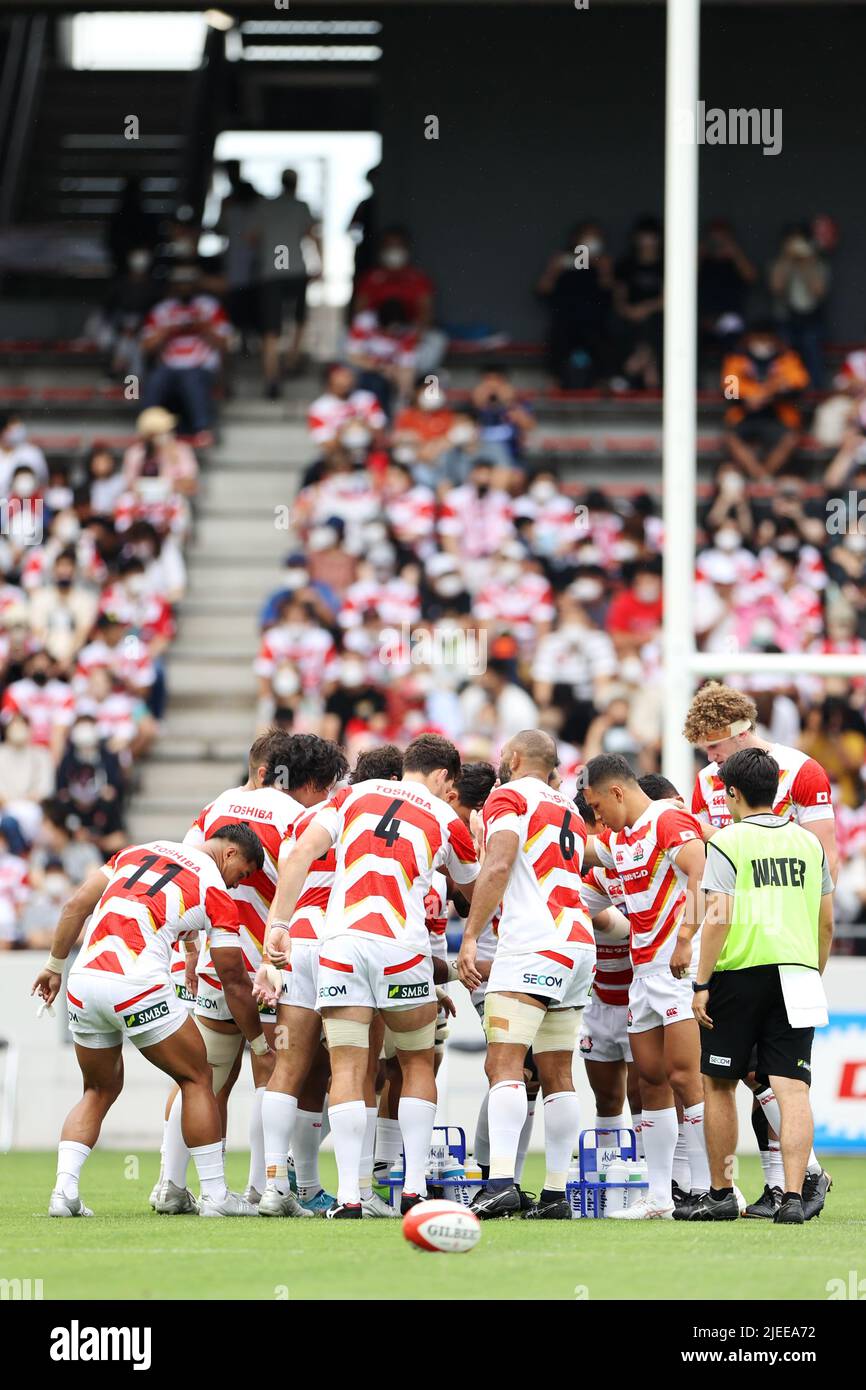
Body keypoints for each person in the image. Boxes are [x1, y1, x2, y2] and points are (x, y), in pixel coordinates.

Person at [264, 732, 478, 1218]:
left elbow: (298, 855)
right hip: (402, 947)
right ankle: (414, 1191)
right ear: (444, 777)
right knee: (417, 1063)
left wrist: (278, 925)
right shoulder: (447, 818)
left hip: (341, 944)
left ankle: (347, 1198)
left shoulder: (352, 795)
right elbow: (471, 890)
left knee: (346, 1067)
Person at [151, 731, 348, 1215]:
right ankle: (264, 1186)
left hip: (212, 963)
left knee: (200, 1076)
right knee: (272, 1069)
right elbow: (304, 887)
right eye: (321, 785)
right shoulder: (297, 818)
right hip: (265, 964)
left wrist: (191, 946)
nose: (323, 795)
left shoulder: (217, 806)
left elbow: (185, 870)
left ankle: (169, 1184)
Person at [31, 823, 267, 1218]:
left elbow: (76, 905)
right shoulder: (214, 887)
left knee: (97, 1089)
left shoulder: (136, 852)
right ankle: (215, 1196)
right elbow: (233, 980)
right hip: (136, 983)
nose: (238, 883)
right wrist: (258, 1043)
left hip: (84, 980)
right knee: (197, 1077)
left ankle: (63, 1192)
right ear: (229, 853)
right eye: (242, 873)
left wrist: (54, 966)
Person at [258, 743, 404, 1220]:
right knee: (358, 1071)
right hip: (348, 938)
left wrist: (274, 931)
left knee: (290, 1067)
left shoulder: (305, 819)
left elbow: (292, 867)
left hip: (298, 939)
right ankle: (359, 1190)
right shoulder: (383, 814)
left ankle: (275, 1186)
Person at [691, 748, 834, 1224]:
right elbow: (826, 923)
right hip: (798, 972)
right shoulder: (809, 844)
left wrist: (701, 982)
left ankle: (720, 1192)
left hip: (739, 973)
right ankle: (793, 1197)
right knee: (792, 1089)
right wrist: (813, 971)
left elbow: (717, 917)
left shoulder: (728, 841)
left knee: (718, 1083)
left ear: (731, 792)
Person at [458, 730, 596, 1220]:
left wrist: (471, 936)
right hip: (577, 942)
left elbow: (499, 863)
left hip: (533, 941)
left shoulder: (508, 796)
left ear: (514, 759)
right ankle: (557, 1194)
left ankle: (500, 1184)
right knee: (559, 1072)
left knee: (504, 1064)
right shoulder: (570, 808)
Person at [583, 753, 710, 1220]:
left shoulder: (665, 818)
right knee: (651, 1080)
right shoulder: (624, 838)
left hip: (678, 969)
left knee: (685, 1078)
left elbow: (702, 870)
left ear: (617, 791)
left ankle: (714, 1188)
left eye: (597, 807)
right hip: (645, 977)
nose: (597, 818)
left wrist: (685, 937)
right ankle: (660, 1195)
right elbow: (583, 852)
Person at [140, 263, 230, 442]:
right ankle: (146, 430)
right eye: (180, 283)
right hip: (168, 366)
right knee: (155, 380)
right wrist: (168, 330)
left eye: (188, 282)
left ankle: (203, 429)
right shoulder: (162, 309)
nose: (184, 287)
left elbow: (225, 343)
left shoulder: (209, 306)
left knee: (191, 379)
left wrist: (202, 326)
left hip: (201, 367)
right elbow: (146, 345)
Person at [254, 169, 321, 396]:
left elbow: (252, 236)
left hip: (271, 273)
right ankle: (291, 360)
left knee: (271, 330)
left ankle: (271, 375)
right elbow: (313, 235)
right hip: (295, 271)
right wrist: (321, 265)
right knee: (299, 321)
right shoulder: (301, 206)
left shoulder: (265, 206)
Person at [721, 325, 809, 479]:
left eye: (766, 339)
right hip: (746, 414)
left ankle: (765, 475)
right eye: (758, 339)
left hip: (777, 414)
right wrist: (750, 397)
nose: (762, 343)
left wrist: (767, 394)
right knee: (731, 438)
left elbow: (798, 382)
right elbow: (729, 389)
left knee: (790, 438)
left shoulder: (787, 358)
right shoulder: (736, 360)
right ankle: (759, 475)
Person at [536, 219, 614, 387]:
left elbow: (610, 291)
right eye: (586, 236)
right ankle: (555, 384)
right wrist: (554, 269)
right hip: (566, 319)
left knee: (601, 341)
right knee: (559, 339)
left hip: (594, 320)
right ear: (575, 239)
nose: (590, 241)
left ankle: (601, 385)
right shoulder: (563, 260)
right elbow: (542, 290)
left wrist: (602, 268)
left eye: (594, 237)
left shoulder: (603, 262)